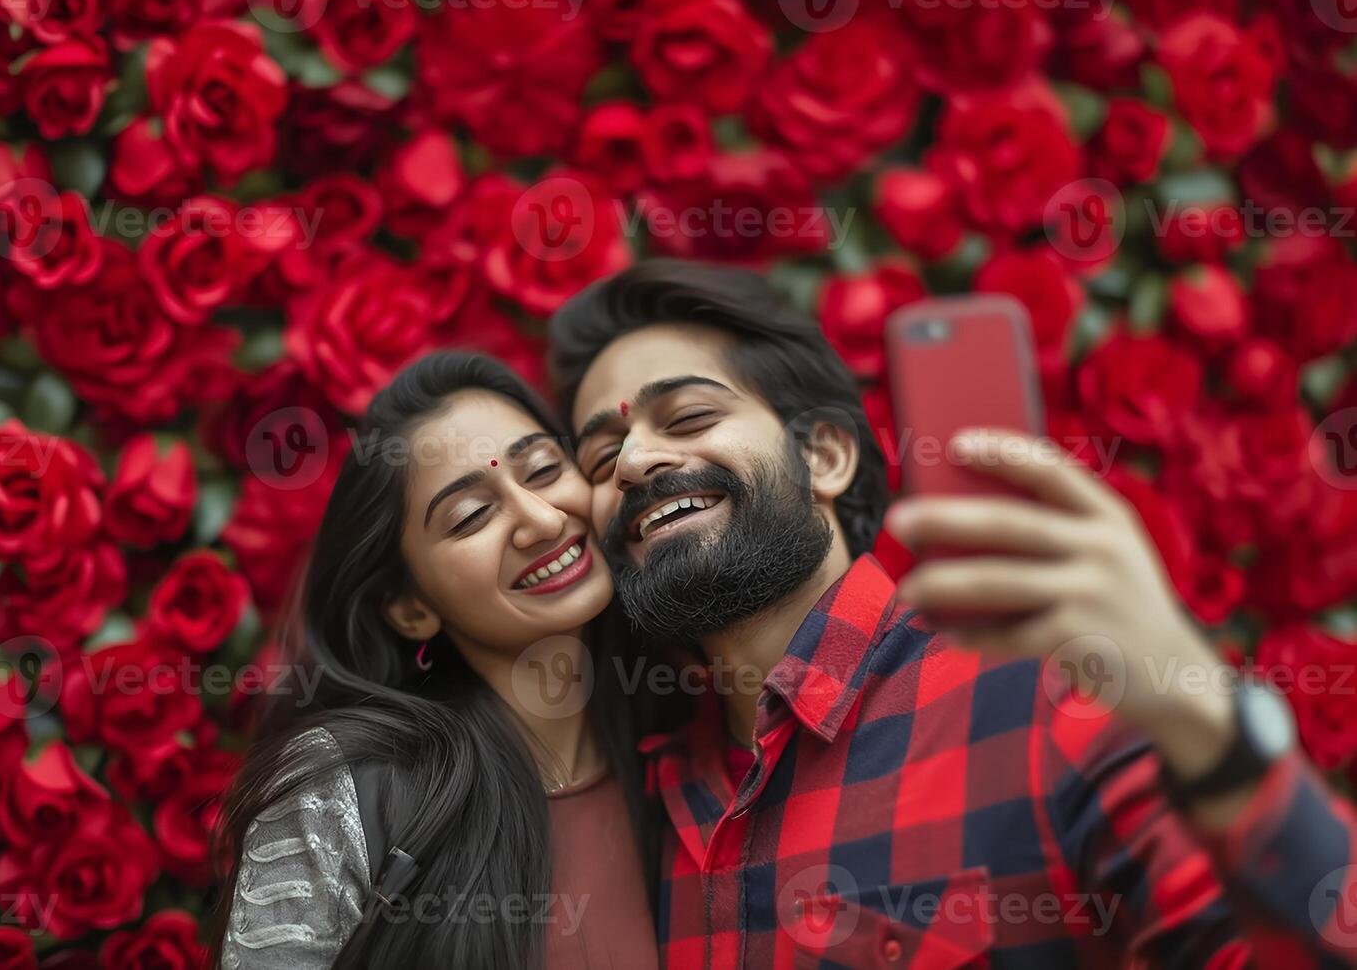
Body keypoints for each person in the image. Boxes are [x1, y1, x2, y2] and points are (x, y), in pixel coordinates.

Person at [549, 259, 1357, 967]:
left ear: (825, 457)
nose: (635, 462)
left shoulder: (1048, 696)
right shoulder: (648, 793)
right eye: (599, 458)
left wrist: (1210, 726)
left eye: (687, 418)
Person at [211, 352, 670, 970]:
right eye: (472, 516)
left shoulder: (684, 733)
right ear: (410, 608)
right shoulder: (347, 788)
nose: (540, 519)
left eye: (541, 470)